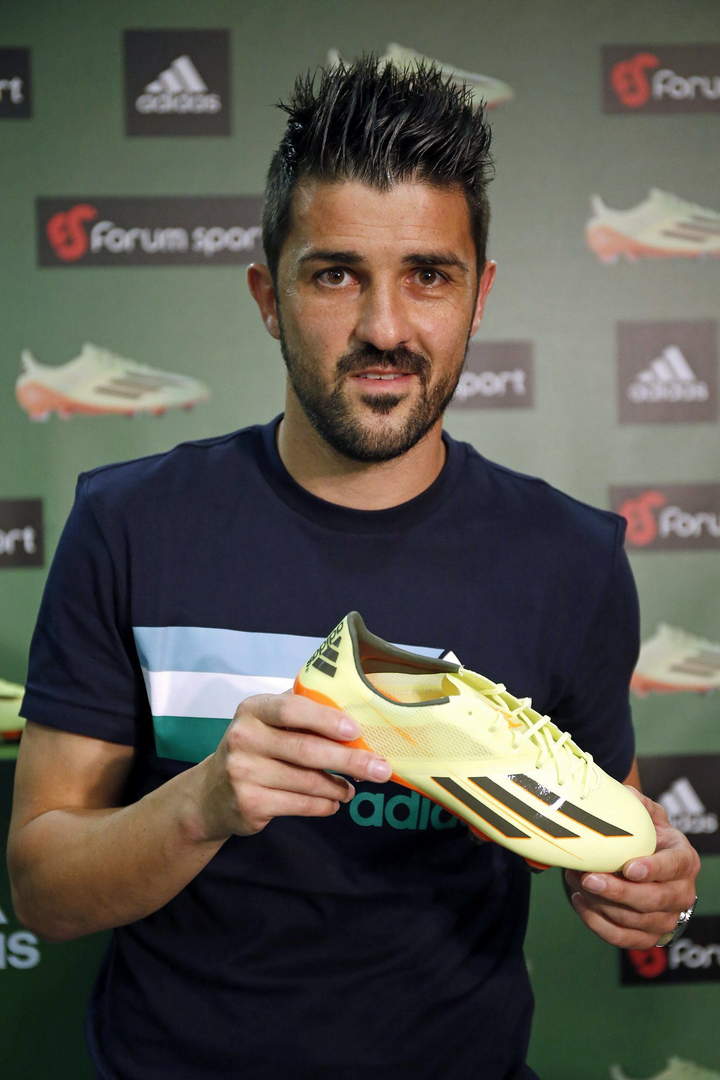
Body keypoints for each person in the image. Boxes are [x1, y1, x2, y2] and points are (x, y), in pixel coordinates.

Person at [8, 57, 699, 1080]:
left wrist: (655, 892)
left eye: (430, 275)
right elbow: (43, 892)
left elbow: (615, 845)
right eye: (335, 274)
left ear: (479, 296)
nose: (385, 328)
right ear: (269, 295)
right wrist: (204, 803)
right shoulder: (130, 523)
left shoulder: (571, 558)